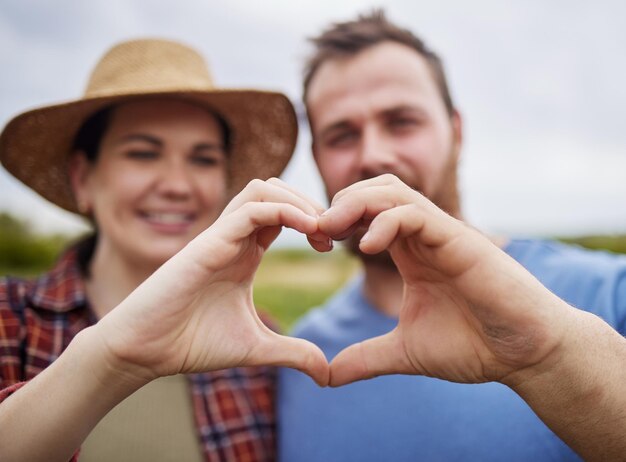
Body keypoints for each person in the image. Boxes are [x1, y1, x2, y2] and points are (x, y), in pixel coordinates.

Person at [278, 11, 626, 462]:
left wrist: (549, 357)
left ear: (456, 132)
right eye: (341, 135)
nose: (373, 155)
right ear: (317, 158)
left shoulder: (609, 293)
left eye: (402, 121)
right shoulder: (299, 361)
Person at [0, 38, 330, 462]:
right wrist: (108, 359)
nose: (177, 185)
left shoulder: (261, 346)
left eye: (203, 159)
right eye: (142, 153)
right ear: (83, 178)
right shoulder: (9, 322)